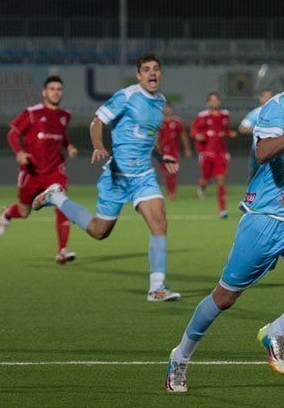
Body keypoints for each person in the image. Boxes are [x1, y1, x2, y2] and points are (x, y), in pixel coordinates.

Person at [165, 42, 284, 392]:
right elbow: (262, 152)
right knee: (224, 298)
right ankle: (180, 358)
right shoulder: (276, 109)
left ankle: (275, 331)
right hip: (264, 218)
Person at [32, 53, 182, 302]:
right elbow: (97, 122)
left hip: (143, 176)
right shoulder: (127, 96)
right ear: (139, 75)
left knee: (160, 223)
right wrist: (99, 146)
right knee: (99, 231)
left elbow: (146, 135)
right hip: (117, 176)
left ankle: (157, 287)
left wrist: (160, 156)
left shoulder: (160, 102)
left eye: (156, 69)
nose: (152, 73)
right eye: (146, 69)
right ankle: (56, 198)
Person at [0, 75, 78, 264]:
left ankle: (62, 251)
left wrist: (69, 146)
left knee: (63, 204)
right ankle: (7, 213)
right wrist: (19, 152)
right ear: (44, 92)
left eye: (59, 89)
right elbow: (13, 134)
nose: (56, 92)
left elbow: (61, 135)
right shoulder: (31, 113)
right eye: (52, 89)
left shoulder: (65, 115)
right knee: (24, 212)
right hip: (31, 172)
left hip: (55, 171)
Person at [191, 93, 236, 218]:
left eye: (216, 100)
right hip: (206, 154)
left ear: (219, 102)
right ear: (208, 103)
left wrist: (230, 132)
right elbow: (193, 130)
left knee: (221, 180)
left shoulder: (225, 115)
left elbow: (225, 129)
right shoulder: (202, 116)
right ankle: (202, 187)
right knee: (206, 178)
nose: (214, 102)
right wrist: (197, 135)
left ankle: (222, 210)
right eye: (211, 100)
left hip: (221, 154)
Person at [158, 102, 192, 200]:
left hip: (174, 151)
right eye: (164, 108)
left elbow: (183, 136)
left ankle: (172, 192)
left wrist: (187, 149)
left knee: (172, 171)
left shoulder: (177, 121)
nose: (166, 110)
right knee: (165, 173)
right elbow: (156, 137)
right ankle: (169, 191)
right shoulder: (159, 122)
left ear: (171, 109)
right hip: (162, 151)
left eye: (168, 108)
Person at [239, 88, 273, 179]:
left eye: (270, 97)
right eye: (265, 97)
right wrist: (257, 129)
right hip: (258, 150)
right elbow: (242, 128)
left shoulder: (279, 112)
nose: (268, 99)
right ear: (260, 98)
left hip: (274, 150)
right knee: (255, 176)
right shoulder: (255, 113)